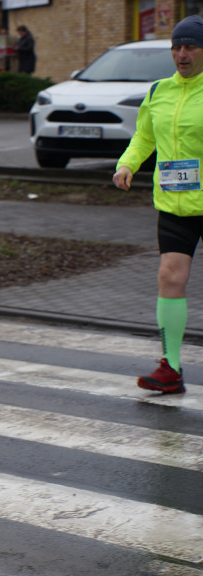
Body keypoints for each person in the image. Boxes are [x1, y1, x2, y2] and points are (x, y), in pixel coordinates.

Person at [112, 14, 203, 396]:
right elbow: (143, 137)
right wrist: (127, 164)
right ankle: (171, 368)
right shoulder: (158, 92)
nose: (181, 54)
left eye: (190, 47)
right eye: (176, 47)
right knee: (170, 277)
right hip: (175, 204)